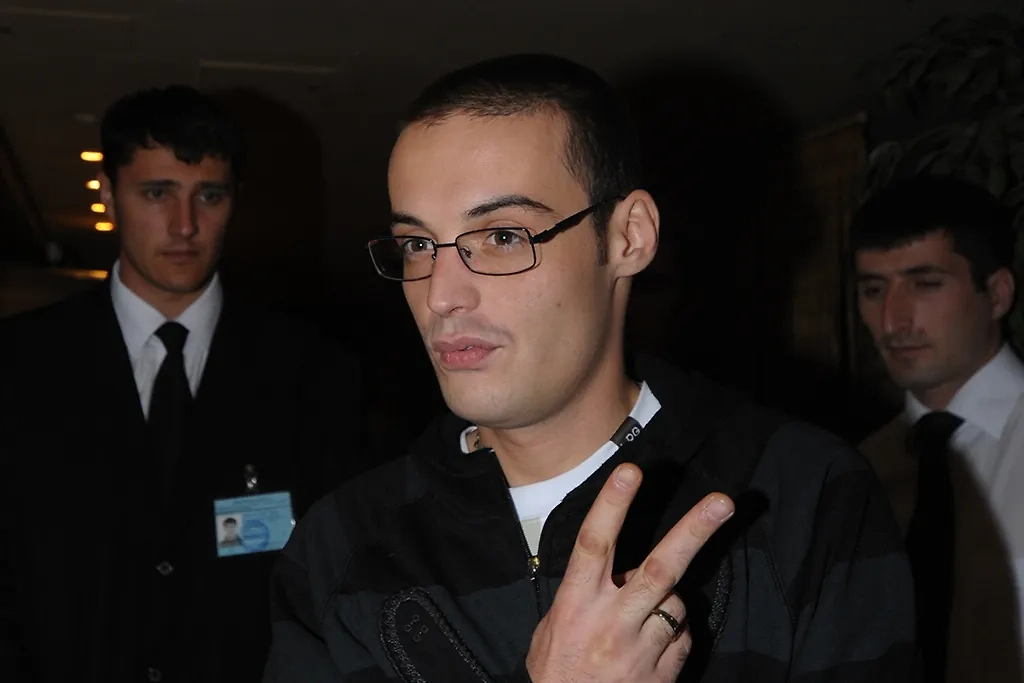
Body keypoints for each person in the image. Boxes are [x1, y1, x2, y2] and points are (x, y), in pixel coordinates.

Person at [263, 54, 916, 682]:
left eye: (502, 236)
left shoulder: (800, 493)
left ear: (629, 236)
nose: (440, 295)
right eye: (416, 244)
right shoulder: (340, 548)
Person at [0, 85, 363, 683]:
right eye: (157, 193)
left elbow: (335, 575)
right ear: (110, 194)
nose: (185, 224)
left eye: (209, 196)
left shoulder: (311, 370)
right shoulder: (19, 363)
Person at [853, 175, 1024, 682]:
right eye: (873, 290)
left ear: (997, 294)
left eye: (925, 284)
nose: (892, 320)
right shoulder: (856, 469)